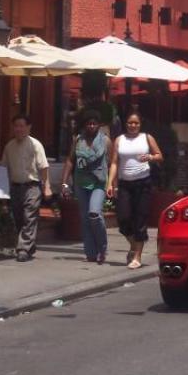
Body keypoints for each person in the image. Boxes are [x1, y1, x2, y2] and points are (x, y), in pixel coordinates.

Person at [107, 112, 163, 269]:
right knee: (123, 219)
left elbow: (159, 155)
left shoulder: (146, 138)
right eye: (130, 123)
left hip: (143, 183)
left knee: (140, 219)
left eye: (136, 123)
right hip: (125, 184)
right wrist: (110, 183)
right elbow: (114, 163)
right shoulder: (120, 140)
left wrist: (150, 158)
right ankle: (133, 245)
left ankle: (137, 256)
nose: (133, 126)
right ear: (126, 124)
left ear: (140, 124)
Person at [60, 110, 112, 264]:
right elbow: (70, 161)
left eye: (94, 123)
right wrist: (64, 182)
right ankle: (90, 253)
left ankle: (102, 249)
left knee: (94, 214)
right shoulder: (78, 140)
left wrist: (112, 185)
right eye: (89, 123)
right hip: (81, 183)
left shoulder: (106, 141)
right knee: (85, 218)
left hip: (98, 183)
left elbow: (112, 163)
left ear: (99, 125)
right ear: (84, 125)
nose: (91, 126)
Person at [1, 115, 52, 262]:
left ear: (29, 128)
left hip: (32, 186)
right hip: (16, 187)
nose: (19, 129)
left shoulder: (36, 145)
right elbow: (5, 169)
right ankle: (29, 245)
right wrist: (3, 194)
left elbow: (43, 167)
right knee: (18, 217)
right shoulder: (9, 146)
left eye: (22, 126)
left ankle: (23, 248)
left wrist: (47, 187)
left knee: (29, 216)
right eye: (16, 126)